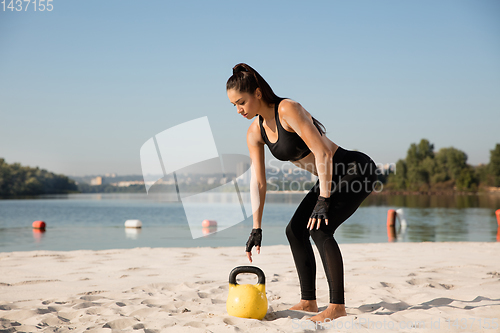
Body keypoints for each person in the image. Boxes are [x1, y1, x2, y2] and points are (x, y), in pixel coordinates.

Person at [226, 63, 378, 323]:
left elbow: (323, 152)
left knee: (320, 228)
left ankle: (337, 306)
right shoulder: (255, 131)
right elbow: (259, 182)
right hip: (330, 178)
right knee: (295, 230)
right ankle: (308, 301)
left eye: (241, 102)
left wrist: (324, 199)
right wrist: (256, 227)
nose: (239, 110)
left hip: (356, 170)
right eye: (234, 106)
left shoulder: (287, 109)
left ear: (258, 93)